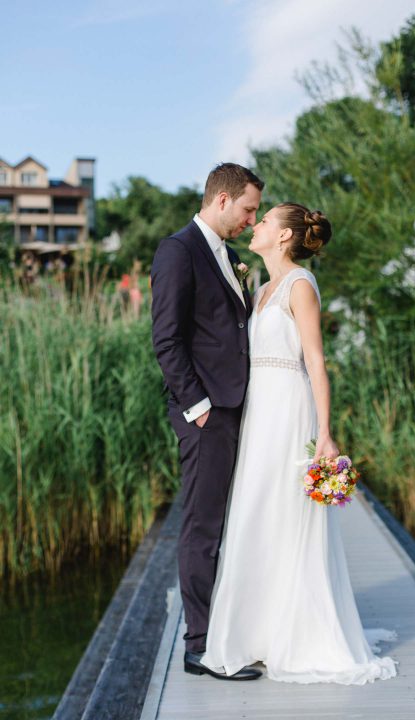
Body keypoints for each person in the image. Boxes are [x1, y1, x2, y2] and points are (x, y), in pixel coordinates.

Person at [202, 203, 398, 684]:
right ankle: (257, 633)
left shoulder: (300, 286)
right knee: (256, 511)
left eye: (265, 220)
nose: (256, 225)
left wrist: (325, 434)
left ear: (286, 236)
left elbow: (316, 361)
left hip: (290, 409)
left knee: (288, 514)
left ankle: (298, 633)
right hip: (257, 412)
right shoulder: (262, 287)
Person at [151, 163, 264, 681]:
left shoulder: (231, 257)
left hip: (240, 407)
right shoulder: (178, 250)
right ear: (222, 201)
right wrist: (198, 408)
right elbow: (167, 339)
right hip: (207, 413)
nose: (250, 219)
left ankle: (229, 629)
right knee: (202, 526)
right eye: (248, 209)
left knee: (233, 521)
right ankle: (199, 646)